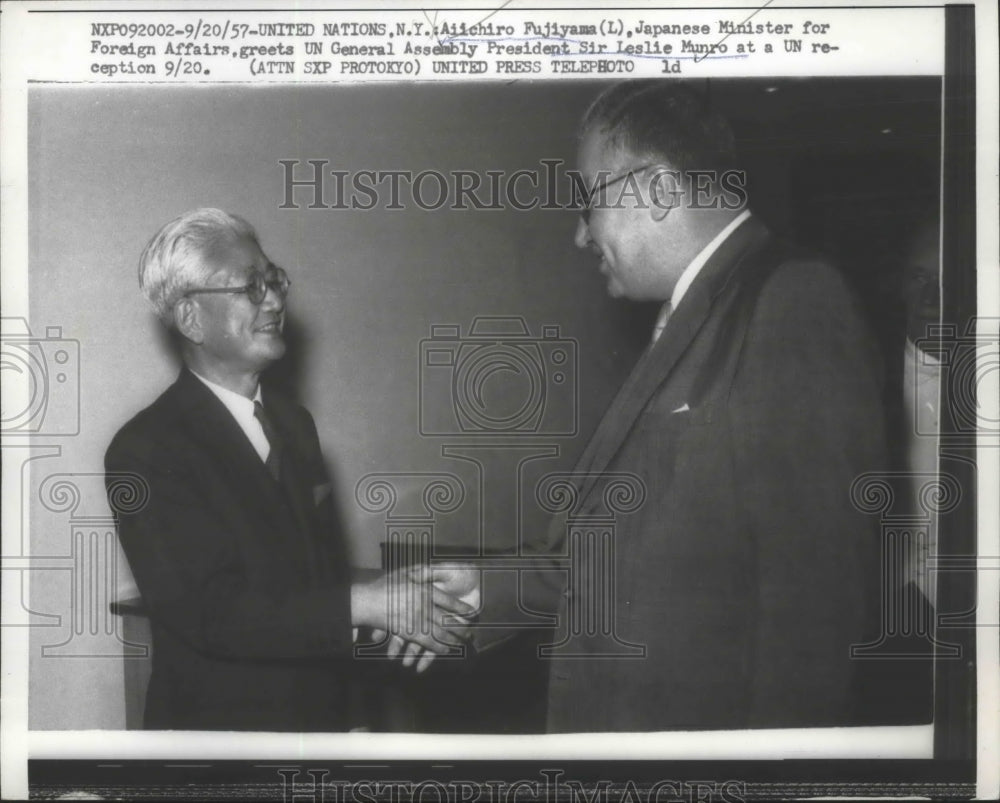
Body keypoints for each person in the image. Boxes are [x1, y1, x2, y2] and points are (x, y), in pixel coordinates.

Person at [433, 80, 891, 731]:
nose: (579, 236)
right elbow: (633, 555)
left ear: (655, 190)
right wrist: (482, 589)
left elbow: (815, 611)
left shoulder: (793, 300)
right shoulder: (688, 314)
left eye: (587, 202)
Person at [106, 208, 473, 731]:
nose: (275, 299)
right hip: (221, 752)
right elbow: (212, 614)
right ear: (190, 319)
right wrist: (365, 604)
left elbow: (312, 583)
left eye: (274, 280)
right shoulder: (144, 450)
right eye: (251, 287)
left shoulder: (295, 425)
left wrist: (353, 711)